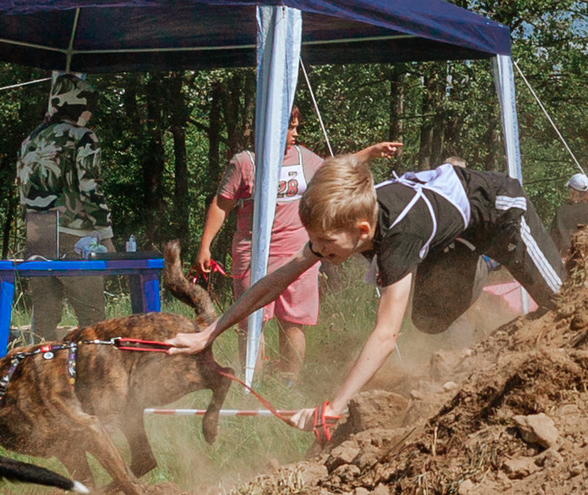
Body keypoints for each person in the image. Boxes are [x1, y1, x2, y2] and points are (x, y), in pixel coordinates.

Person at [167, 147, 563, 435]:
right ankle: (473, 260)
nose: (317, 251)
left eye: (325, 243)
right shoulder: (348, 222)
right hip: (453, 239)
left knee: (563, 302)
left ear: (361, 230)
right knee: (428, 320)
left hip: (501, 213)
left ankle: (487, 261)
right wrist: (210, 331)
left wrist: (332, 408)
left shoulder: (398, 236)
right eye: (313, 240)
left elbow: (386, 336)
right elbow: (276, 280)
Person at [198, 110, 325, 379]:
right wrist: (205, 246)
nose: (296, 134)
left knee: (293, 321)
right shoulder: (245, 162)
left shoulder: (305, 159)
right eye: (290, 128)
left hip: (298, 254)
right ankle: (250, 385)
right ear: (272, 127)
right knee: (251, 320)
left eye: (297, 127)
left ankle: (288, 385)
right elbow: (221, 205)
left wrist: (370, 153)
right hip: (252, 254)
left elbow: (337, 171)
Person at [13, 73, 109, 340]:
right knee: (93, 318)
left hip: (37, 234)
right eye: (89, 106)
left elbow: (23, 190)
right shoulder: (84, 137)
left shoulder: (29, 140)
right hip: (75, 235)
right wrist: (106, 235)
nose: (91, 113)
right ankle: (95, 365)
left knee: (43, 318)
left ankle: (38, 364)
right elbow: (90, 189)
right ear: (79, 105)